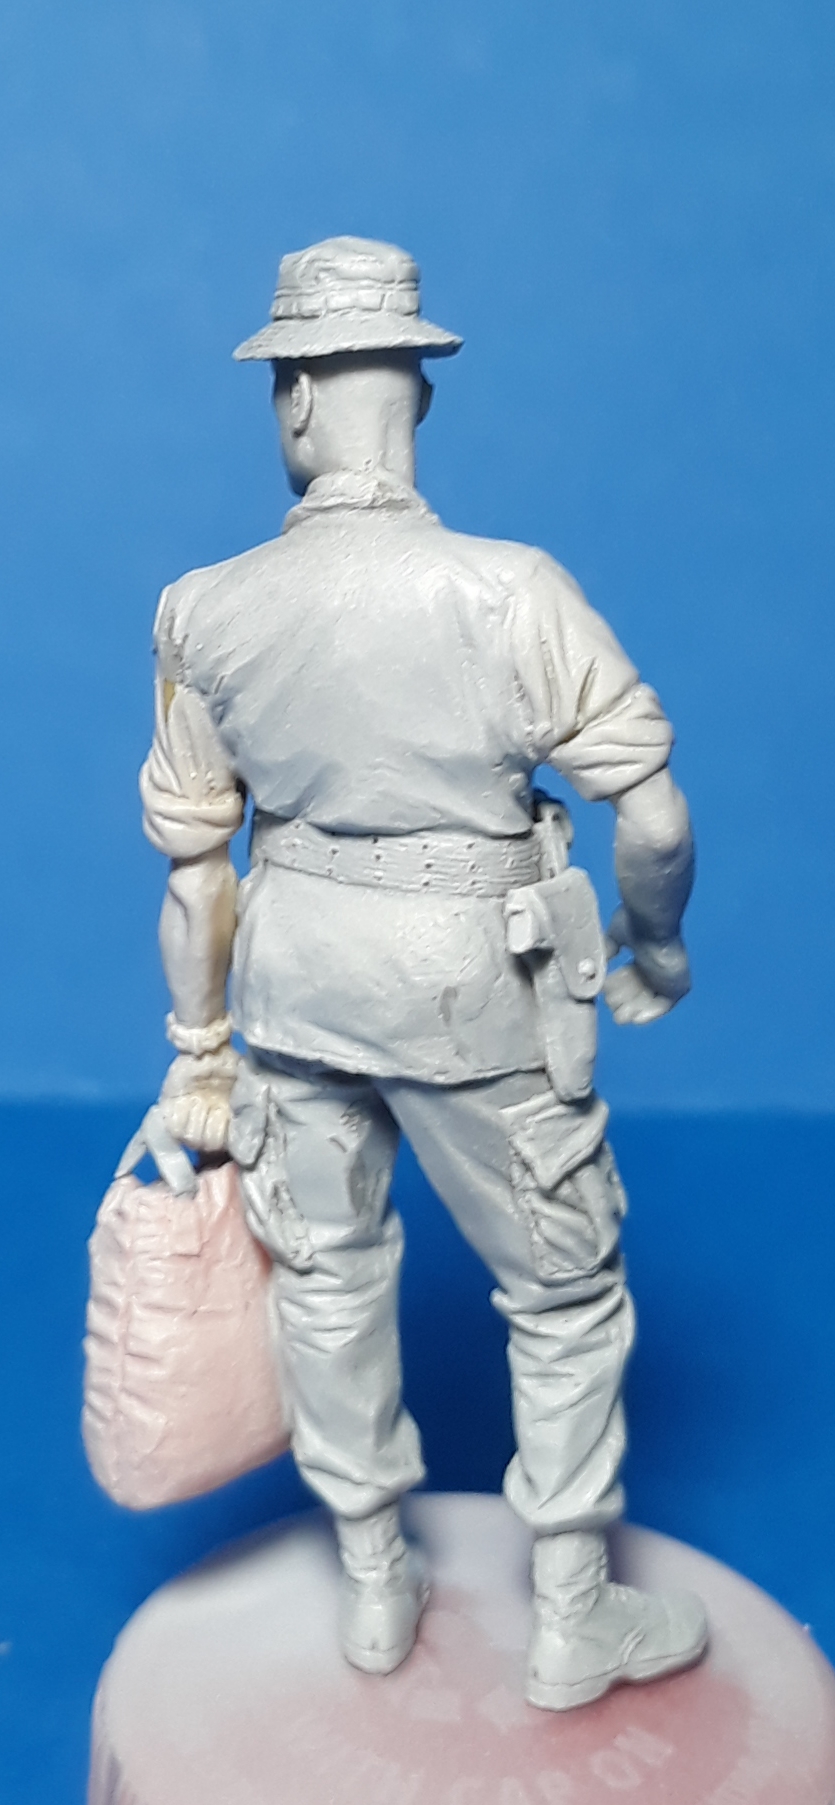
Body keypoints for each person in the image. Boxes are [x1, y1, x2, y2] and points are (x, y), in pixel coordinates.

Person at [129, 235, 707, 1711]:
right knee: (565, 1292)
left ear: (297, 398)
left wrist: (199, 1054)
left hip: (294, 984)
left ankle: (375, 1576)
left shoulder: (205, 609)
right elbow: (652, 816)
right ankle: (570, 1609)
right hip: (473, 988)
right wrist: (654, 942)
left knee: (324, 1276)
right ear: (420, 395)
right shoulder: (511, 593)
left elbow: (197, 872)